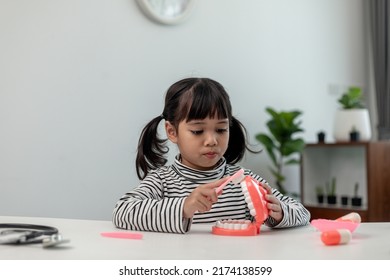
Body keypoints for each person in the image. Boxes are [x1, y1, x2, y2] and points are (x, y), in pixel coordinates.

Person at [112, 77, 310, 233]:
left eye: (221, 129)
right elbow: (122, 212)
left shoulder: (245, 180)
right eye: (198, 131)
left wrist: (280, 213)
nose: (212, 141)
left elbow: (303, 212)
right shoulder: (162, 181)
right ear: (172, 132)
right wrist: (184, 206)